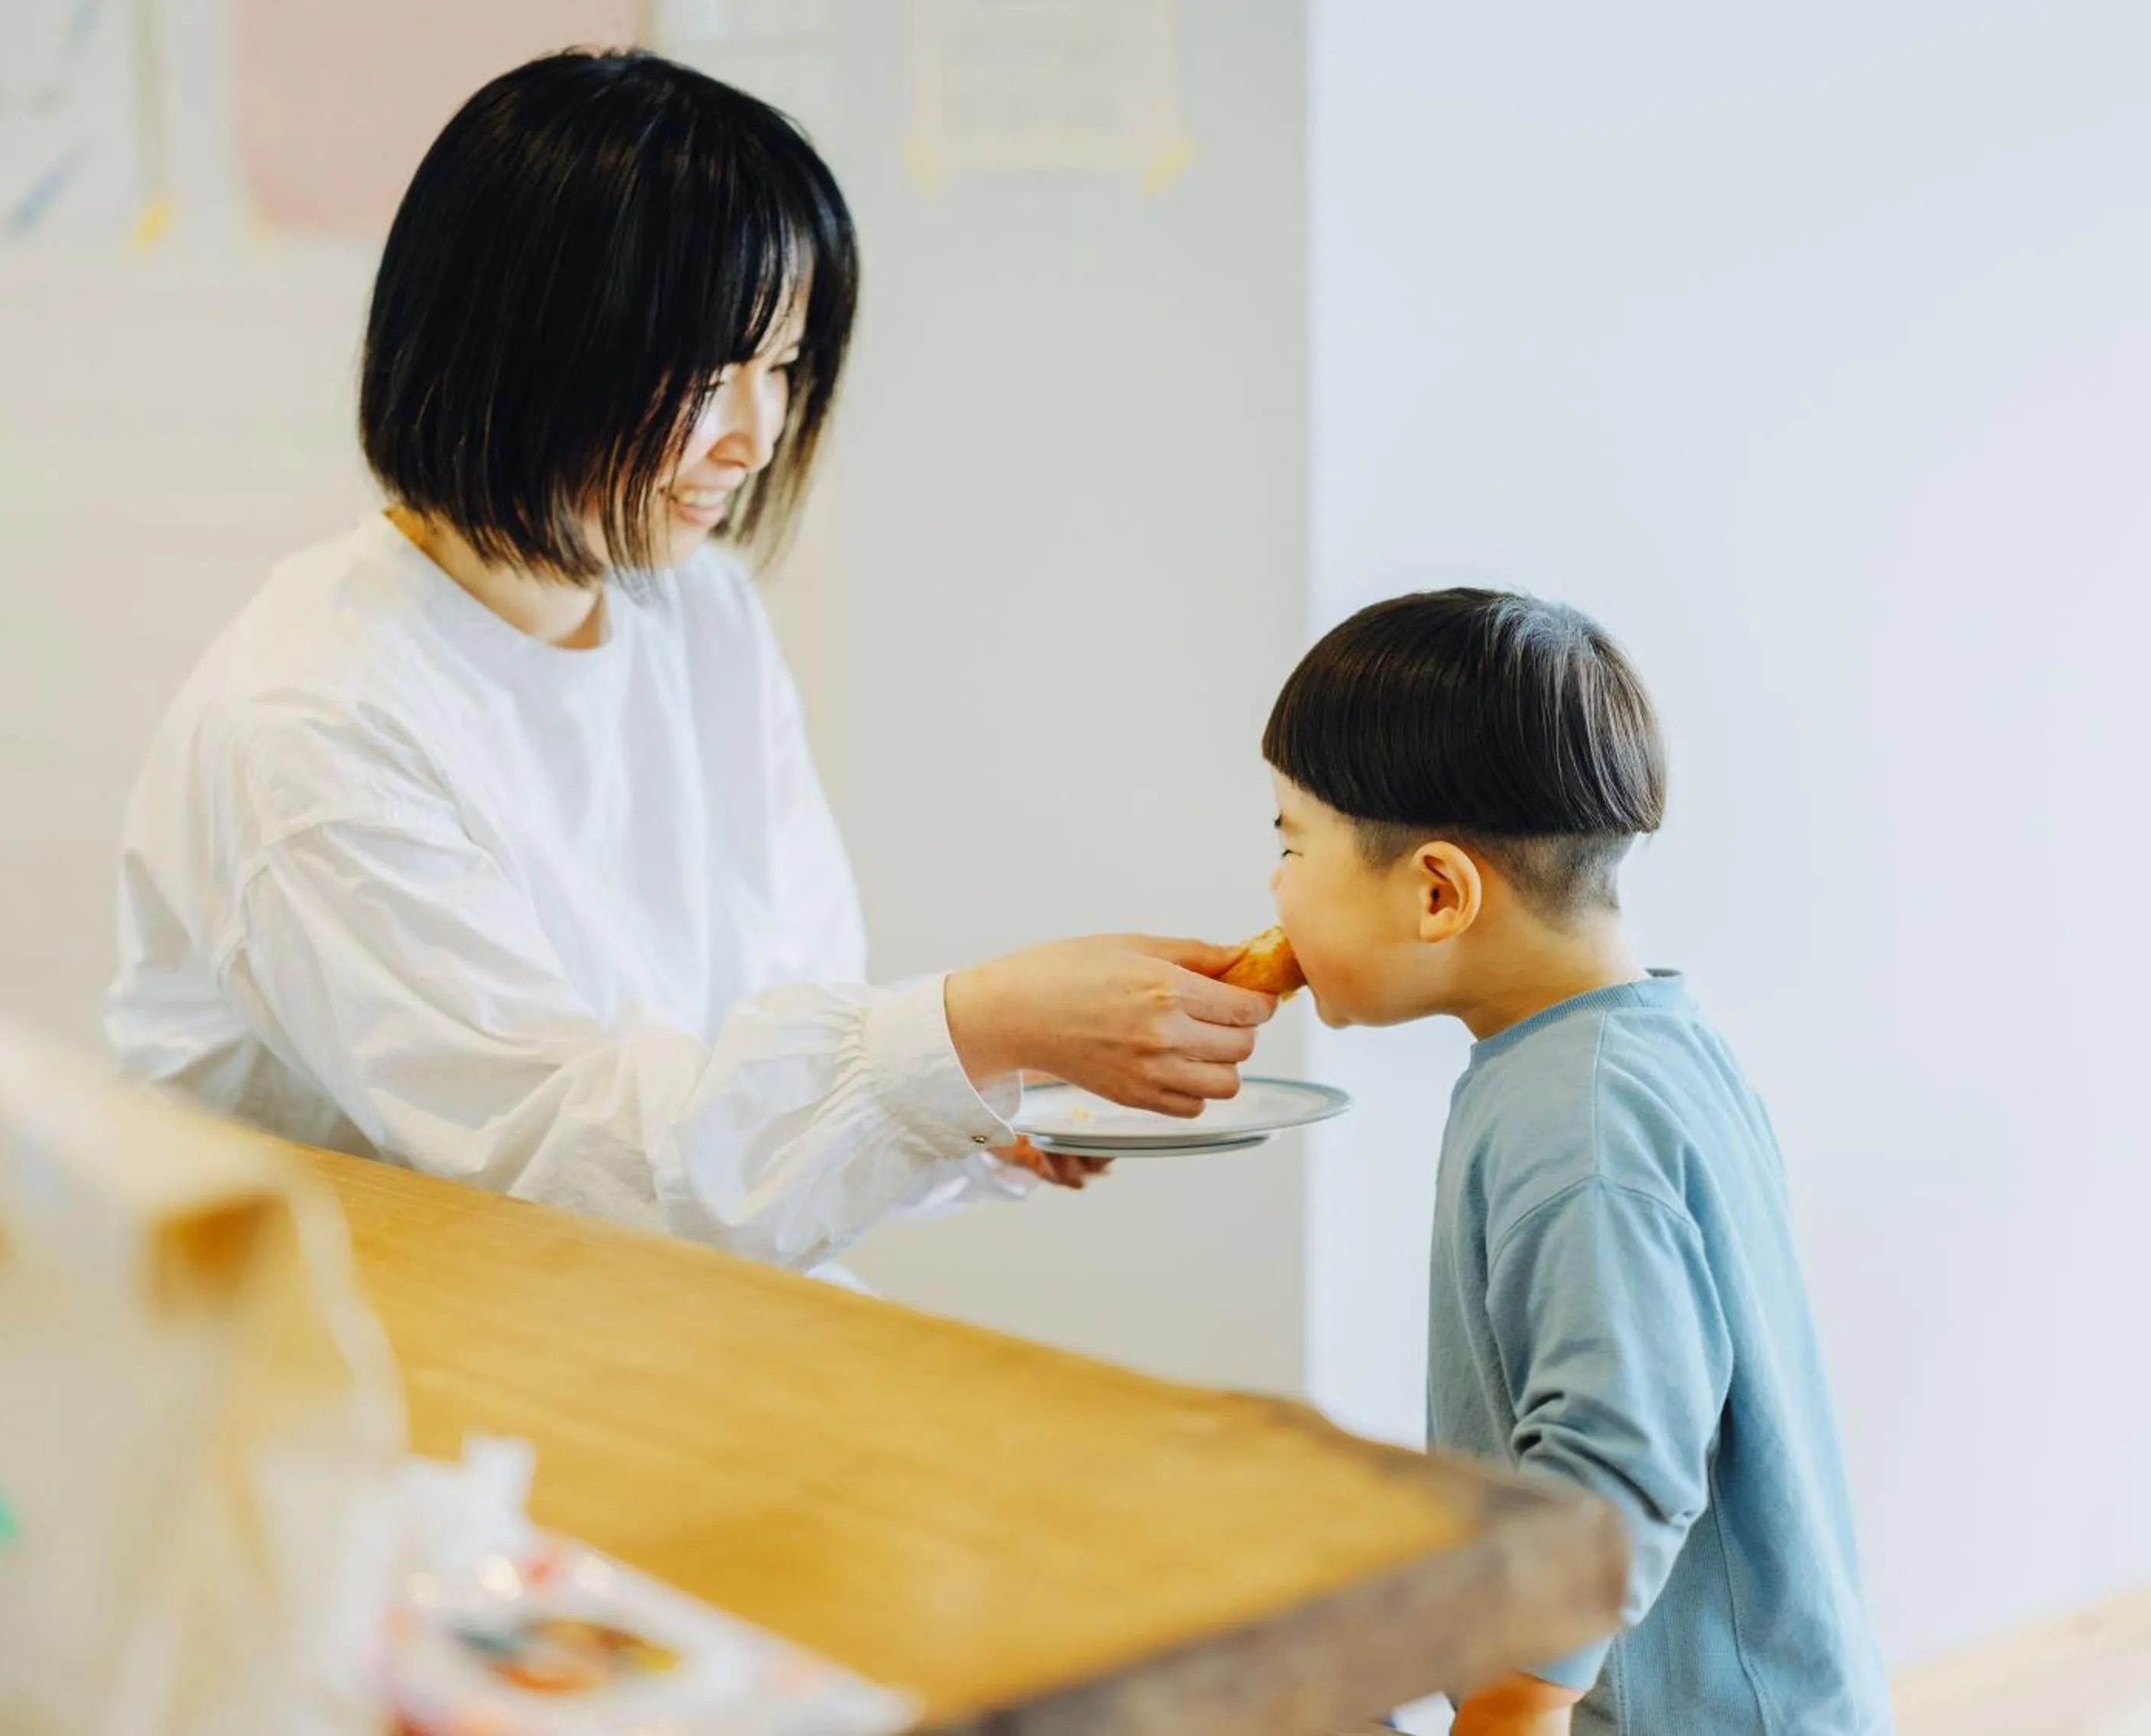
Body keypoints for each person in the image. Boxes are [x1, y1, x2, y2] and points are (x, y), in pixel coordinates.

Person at [106, 49, 1275, 1274]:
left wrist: (970, 1093)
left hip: (650, 1311)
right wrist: (969, 1029)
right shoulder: (316, 720)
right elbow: (558, 1162)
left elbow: (770, 1018)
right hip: (379, 1343)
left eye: (781, 366)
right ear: (526, 345)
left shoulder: (696, 610)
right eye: (709, 371)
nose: (758, 435)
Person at [1260, 591, 1892, 1735]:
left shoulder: (1578, 1120)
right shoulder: (1643, 1050)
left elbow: (1618, 1458)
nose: (1276, 889)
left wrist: (1508, 1708)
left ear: (1438, 892)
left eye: (1290, 843)